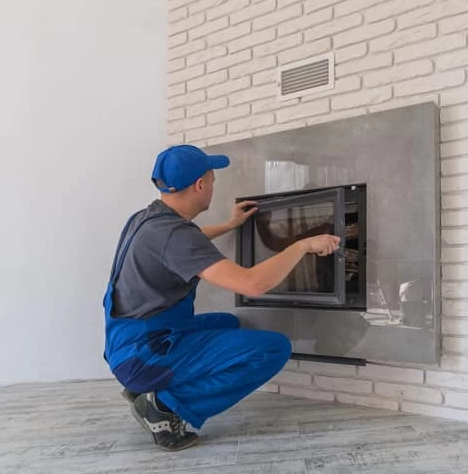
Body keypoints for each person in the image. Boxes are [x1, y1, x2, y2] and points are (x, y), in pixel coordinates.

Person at [102, 144, 340, 451]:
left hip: (129, 343)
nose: (214, 185)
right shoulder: (175, 236)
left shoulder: (147, 219)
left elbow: (187, 244)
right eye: (212, 179)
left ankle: (148, 390)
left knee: (228, 322)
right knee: (273, 348)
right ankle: (164, 406)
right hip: (144, 355)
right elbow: (252, 284)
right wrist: (302, 246)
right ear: (200, 185)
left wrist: (229, 226)